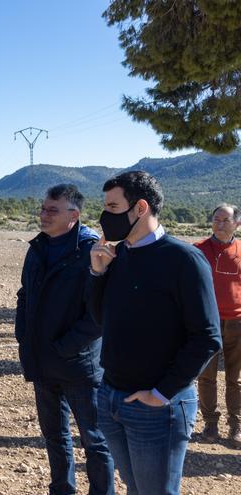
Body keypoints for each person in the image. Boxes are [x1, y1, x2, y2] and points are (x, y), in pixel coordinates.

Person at [88, 171, 222, 494]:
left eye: (113, 206)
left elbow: (206, 337)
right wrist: (97, 273)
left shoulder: (185, 260)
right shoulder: (118, 258)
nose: (105, 215)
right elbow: (100, 319)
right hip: (111, 399)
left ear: (140, 208)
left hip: (156, 408)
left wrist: (160, 394)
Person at [15, 184, 114, 495]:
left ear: (74, 214)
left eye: (52, 210)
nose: (44, 215)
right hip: (43, 361)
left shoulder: (90, 250)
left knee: (94, 440)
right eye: (43, 208)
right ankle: (61, 490)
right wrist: (24, 336)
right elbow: (24, 295)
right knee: (54, 436)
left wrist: (66, 347)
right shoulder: (38, 247)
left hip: (78, 366)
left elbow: (99, 313)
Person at [194, 203, 241, 448]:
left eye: (225, 220)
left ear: (237, 223)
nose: (219, 224)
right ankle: (210, 425)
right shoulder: (198, 250)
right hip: (207, 321)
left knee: (236, 378)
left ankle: (236, 426)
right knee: (207, 376)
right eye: (216, 219)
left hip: (238, 323)